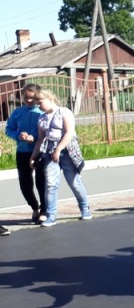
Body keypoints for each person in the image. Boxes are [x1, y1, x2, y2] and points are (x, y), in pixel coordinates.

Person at [31, 89, 91, 227]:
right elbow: (41, 139)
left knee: (74, 182)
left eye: (40, 102)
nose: (38, 106)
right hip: (49, 153)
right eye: (36, 104)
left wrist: (58, 150)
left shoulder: (64, 112)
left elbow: (69, 133)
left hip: (66, 151)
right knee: (51, 184)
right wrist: (34, 155)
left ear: (50, 99)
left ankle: (85, 208)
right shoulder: (42, 118)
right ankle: (51, 215)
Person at [5, 83, 46, 223]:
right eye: (26, 97)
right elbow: (9, 129)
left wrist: (34, 137)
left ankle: (44, 210)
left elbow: (47, 130)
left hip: (40, 151)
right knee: (25, 183)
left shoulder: (41, 112)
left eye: (32, 98)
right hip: (22, 151)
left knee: (42, 182)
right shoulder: (18, 112)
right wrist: (18, 136)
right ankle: (34, 206)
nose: (28, 100)